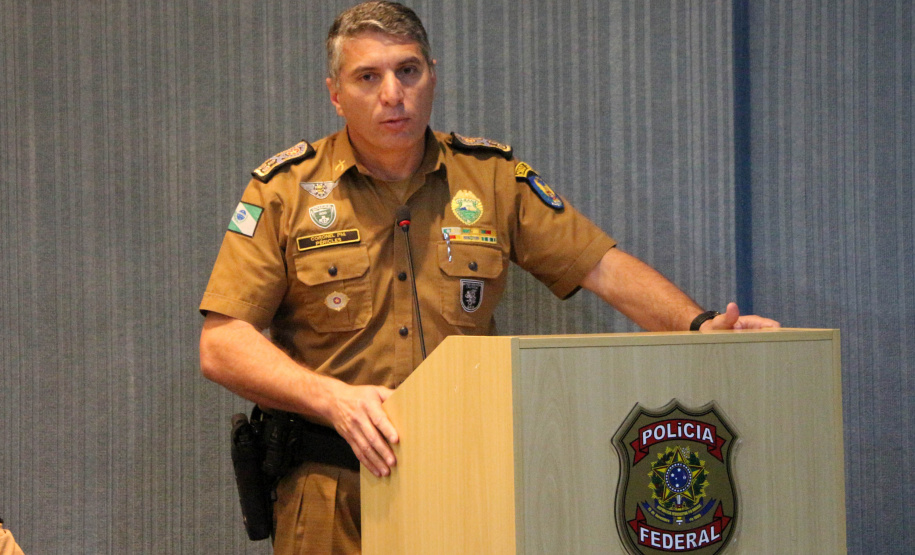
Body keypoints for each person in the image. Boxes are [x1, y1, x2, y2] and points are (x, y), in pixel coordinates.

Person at [198, 2, 780, 553]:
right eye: (367, 78)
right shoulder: (284, 191)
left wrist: (698, 326)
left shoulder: (491, 179)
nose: (393, 95)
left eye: (408, 71)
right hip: (332, 489)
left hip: (466, 481)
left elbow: (599, 265)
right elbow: (222, 344)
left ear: (433, 75)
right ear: (336, 95)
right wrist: (334, 400)